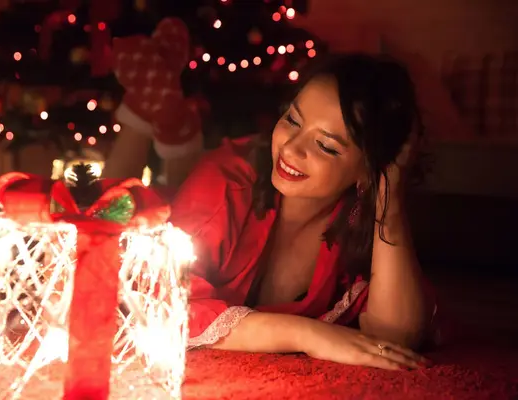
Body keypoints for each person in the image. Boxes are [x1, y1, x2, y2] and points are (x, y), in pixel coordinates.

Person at [165, 53, 437, 371]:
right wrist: (309, 336)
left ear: (367, 170)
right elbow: (162, 304)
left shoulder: (355, 218)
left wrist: (388, 198)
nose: (291, 148)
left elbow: (394, 337)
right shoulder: (224, 182)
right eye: (293, 120)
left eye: (325, 145)